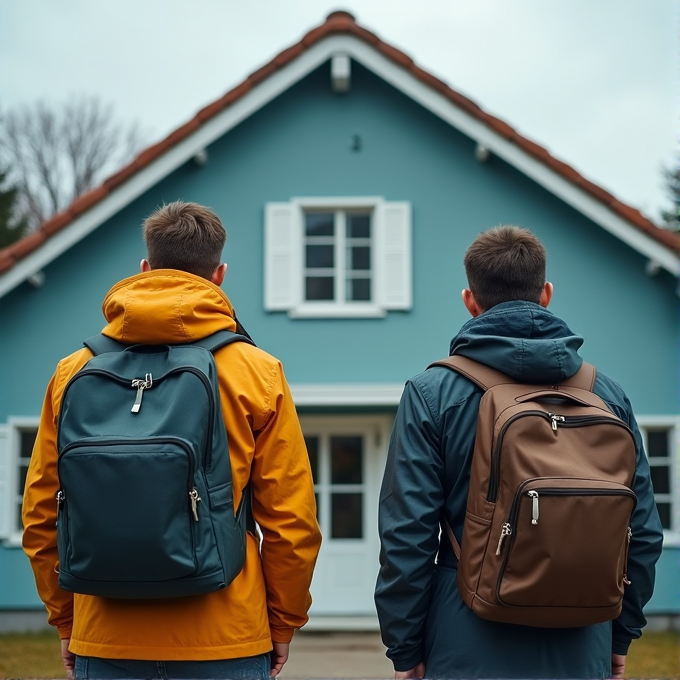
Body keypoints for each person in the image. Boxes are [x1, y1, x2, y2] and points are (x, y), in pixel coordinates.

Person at [23, 201, 322, 680]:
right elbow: (292, 521)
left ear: (145, 269)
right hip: (226, 634)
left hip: (106, 633)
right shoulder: (256, 371)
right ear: (218, 275)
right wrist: (283, 622)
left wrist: (66, 619)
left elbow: (41, 513)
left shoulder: (72, 371)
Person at [374, 226, 664, 680]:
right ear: (546, 293)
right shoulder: (608, 395)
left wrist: (405, 649)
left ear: (470, 301)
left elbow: (406, 536)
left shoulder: (432, 392)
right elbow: (643, 531)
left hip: (466, 632)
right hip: (584, 637)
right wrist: (619, 634)